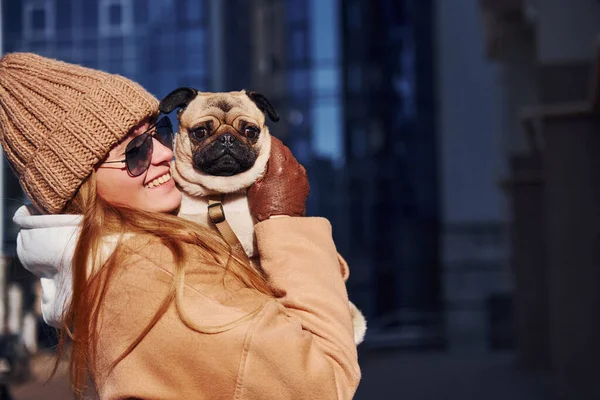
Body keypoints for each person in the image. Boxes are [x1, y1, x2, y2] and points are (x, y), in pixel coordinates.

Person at [0, 53, 360, 399]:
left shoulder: (118, 261)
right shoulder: (160, 278)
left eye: (160, 133)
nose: (163, 153)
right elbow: (325, 385)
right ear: (82, 187)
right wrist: (284, 220)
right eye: (134, 152)